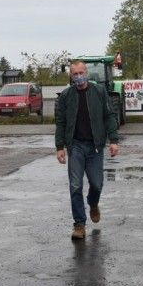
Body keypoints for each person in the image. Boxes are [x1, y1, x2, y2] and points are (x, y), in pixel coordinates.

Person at [55, 60, 120, 240]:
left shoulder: (99, 92)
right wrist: (59, 147)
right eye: (75, 74)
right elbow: (60, 122)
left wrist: (113, 140)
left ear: (87, 73)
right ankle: (79, 225)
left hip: (95, 147)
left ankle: (93, 203)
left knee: (97, 184)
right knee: (75, 186)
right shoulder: (66, 96)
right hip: (75, 146)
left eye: (81, 72)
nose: (78, 76)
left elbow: (109, 116)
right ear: (71, 76)